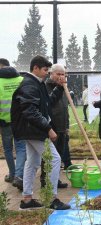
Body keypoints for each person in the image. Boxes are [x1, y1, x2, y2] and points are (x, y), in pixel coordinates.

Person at [11, 55, 70, 210]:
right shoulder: (30, 85)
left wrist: (58, 88)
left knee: (32, 162)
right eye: (45, 70)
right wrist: (48, 128)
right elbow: (30, 111)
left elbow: (47, 103)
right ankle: (52, 198)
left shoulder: (37, 84)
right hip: (33, 130)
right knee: (55, 159)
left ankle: (27, 199)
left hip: (30, 130)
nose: (46, 73)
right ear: (35, 68)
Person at [40, 64, 71, 189]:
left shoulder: (63, 88)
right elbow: (48, 105)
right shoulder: (45, 87)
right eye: (58, 74)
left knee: (59, 156)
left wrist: (67, 126)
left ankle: (55, 179)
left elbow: (65, 109)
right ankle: (46, 181)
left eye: (63, 74)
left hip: (62, 127)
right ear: (51, 74)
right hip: (52, 128)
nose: (61, 76)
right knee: (49, 157)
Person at [0, 58, 26, 190]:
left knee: (8, 149)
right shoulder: (21, 80)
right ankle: (19, 176)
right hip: (21, 121)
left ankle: (12, 174)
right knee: (21, 148)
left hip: (4, 123)